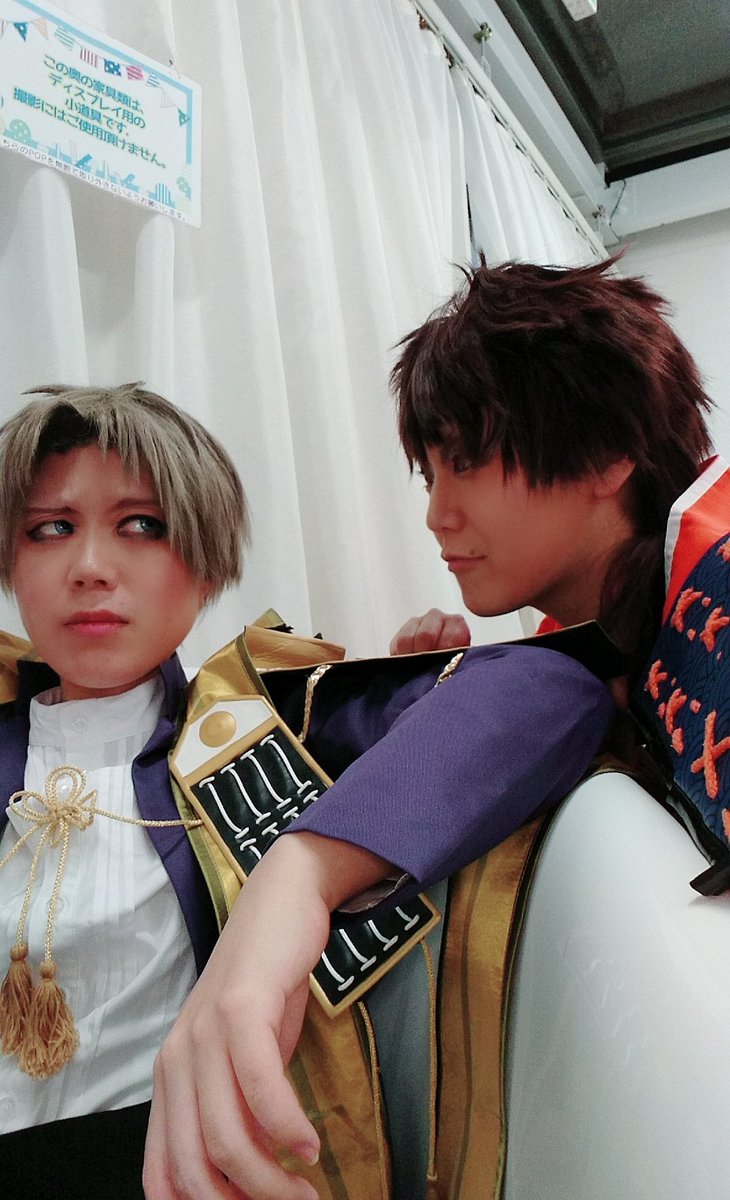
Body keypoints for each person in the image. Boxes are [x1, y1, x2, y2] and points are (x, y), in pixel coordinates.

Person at [144, 256, 715, 1200]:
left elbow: (550, 690)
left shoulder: (700, 603)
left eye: (469, 462)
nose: (437, 514)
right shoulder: (612, 639)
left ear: (608, 454)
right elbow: (550, 687)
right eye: (429, 471)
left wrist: (296, 878)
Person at [0, 383, 612, 1199]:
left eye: (142, 525)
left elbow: (548, 689)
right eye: (50, 528)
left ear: (205, 562)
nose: (90, 569)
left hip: (182, 1169)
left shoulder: (271, 723)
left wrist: (299, 876)